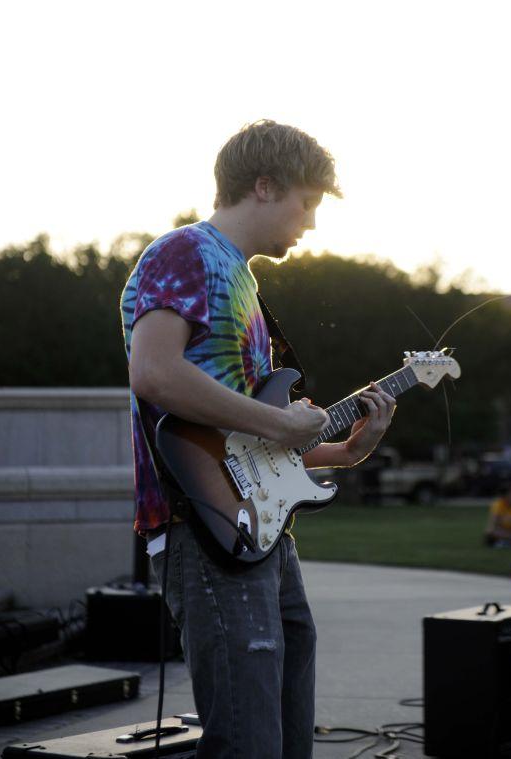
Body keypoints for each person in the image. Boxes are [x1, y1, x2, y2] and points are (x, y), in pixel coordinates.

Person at [120, 120, 397, 759]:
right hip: (204, 527)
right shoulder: (186, 252)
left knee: (284, 733)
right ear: (266, 187)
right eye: (308, 203)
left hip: (259, 528)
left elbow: (249, 445)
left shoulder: (242, 280)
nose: (313, 224)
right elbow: (154, 372)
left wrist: (346, 449)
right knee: (247, 743)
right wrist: (279, 421)